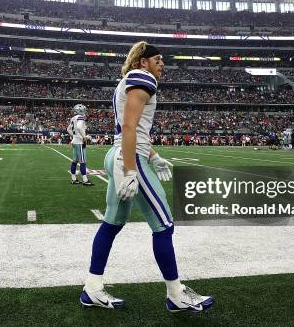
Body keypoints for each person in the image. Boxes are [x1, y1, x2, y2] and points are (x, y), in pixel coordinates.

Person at [80, 41, 213, 313]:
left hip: (122, 153)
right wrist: (131, 168)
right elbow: (129, 126)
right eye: (158, 59)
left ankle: (91, 288)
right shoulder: (142, 77)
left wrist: (153, 156)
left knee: (111, 223)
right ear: (143, 61)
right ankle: (176, 294)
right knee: (164, 225)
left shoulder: (127, 81)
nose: (162, 64)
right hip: (129, 158)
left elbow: (133, 128)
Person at [67, 104, 94, 186]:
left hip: (75, 141)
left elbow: (68, 129)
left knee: (75, 161)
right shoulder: (80, 117)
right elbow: (79, 127)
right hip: (79, 142)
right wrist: (83, 137)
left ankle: (73, 179)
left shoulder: (73, 118)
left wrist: (74, 136)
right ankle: (85, 180)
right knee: (83, 161)